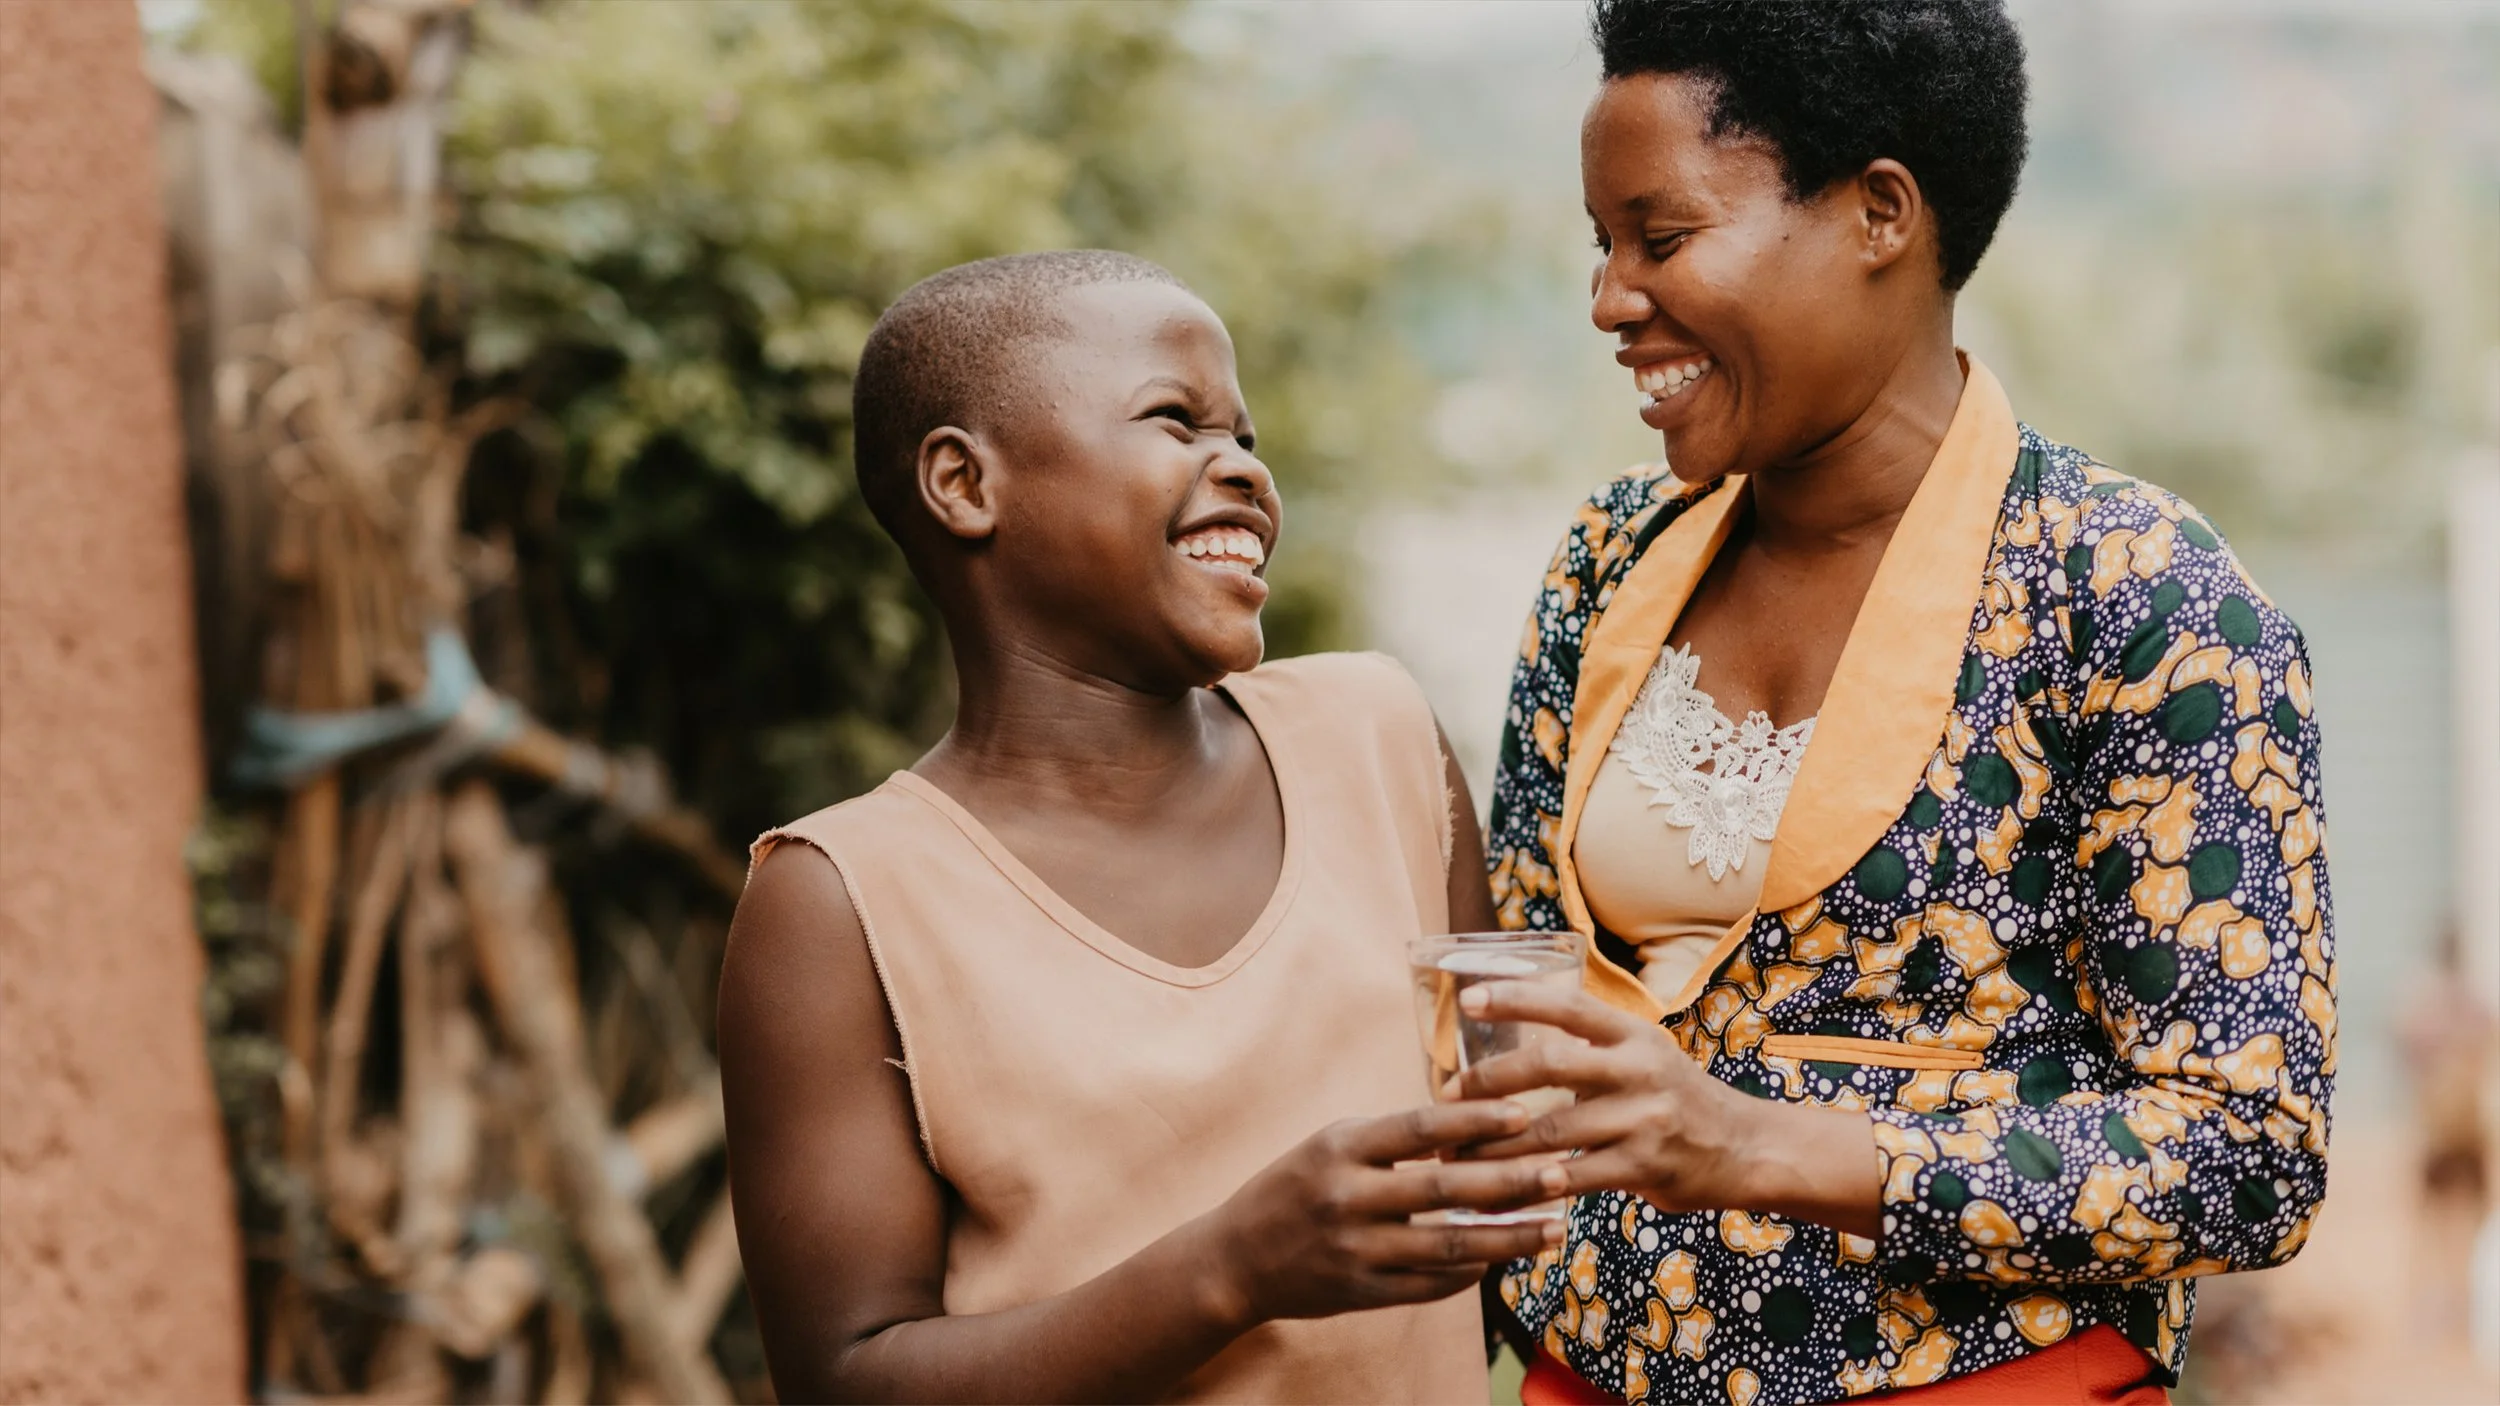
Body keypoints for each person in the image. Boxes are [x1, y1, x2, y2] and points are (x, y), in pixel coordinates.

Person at [1463, 3, 2337, 1403]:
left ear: (1879, 214)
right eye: (1600, 244)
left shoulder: (2134, 595)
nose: (1611, 298)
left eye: (1662, 236)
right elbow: (1515, 998)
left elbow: (2251, 1154)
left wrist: (1756, 1145)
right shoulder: (1608, 563)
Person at [716, 250, 1563, 1403]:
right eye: (1176, 420)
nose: (1244, 468)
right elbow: (844, 1377)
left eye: (1245, 437)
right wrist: (1235, 1266)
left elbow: (1504, 1168)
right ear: (964, 483)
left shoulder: (1379, 736)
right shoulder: (838, 899)